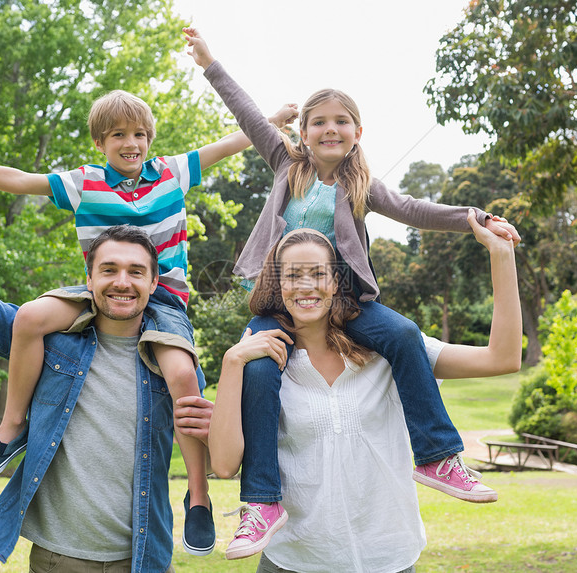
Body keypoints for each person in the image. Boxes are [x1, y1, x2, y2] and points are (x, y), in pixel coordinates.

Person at [0, 91, 297, 555]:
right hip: (99, 295)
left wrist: (269, 121)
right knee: (29, 316)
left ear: (150, 139)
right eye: (118, 136)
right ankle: (10, 429)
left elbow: (229, 143)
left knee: (181, 375)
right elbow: (17, 180)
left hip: (165, 301)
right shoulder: (83, 183)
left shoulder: (172, 172)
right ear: (99, 141)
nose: (130, 144)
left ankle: (197, 495)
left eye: (139, 135)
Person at [184, 27, 522, 554]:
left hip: (344, 301)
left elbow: (414, 210)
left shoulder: (361, 184)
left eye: (341, 121)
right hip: (279, 301)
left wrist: (474, 217)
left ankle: (435, 457)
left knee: (406, 335)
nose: (330, 129)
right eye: (318, 121)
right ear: (303, 130)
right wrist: (211, 64)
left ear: (357, 131)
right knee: (256, 367)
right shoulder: (285, 164)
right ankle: (262, 503)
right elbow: (249, 115)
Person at [0, 151, 214, 572]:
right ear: (88, 276)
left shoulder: (175, 364)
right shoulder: (51, 344)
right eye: (109, 269)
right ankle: (10, 431)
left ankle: (198, 499)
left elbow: (226, 448)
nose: (121, 282)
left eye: (136, 272)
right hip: (57, 560)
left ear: (155, 281)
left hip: (140, 559)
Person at [209, 214, 522, 569]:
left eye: (318, 274)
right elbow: (223, 464)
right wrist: (232, 363)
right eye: (293, 275)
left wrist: (501, 253)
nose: (305, 286)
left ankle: (439, 461)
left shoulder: (392, 350)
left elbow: (503, 358)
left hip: (388, 559)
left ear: (337, 282)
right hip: (295, 562)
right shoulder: (261, 360)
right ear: (278, 284)